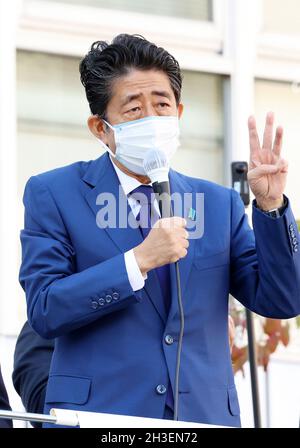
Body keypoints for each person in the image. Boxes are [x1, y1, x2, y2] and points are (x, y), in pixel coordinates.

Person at [18, 34, 300, 428]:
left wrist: (271, 207)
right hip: (100, 418)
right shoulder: (55, 193)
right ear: (100, 128)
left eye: (162, 104)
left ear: (179, 112)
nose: (152, 117)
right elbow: (45, 309)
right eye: (133, 108)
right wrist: (136, 262)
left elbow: (283, 300)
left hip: (202, 419)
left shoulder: (217, 204)